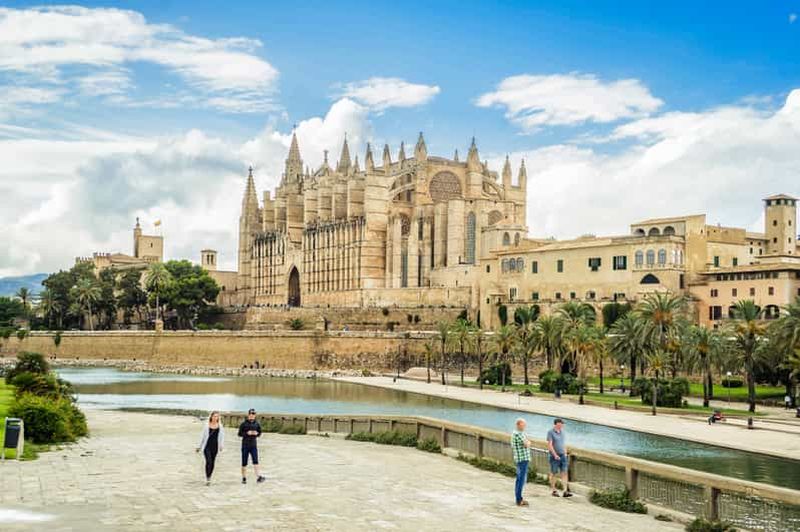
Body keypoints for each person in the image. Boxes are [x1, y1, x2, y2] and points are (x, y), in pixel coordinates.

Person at [238, 408, 266, 484]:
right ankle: (244, 478)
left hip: (253, 445)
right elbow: (239, 434)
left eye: (253, 414)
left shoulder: (257, 424)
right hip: (245, 445)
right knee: (244, 462)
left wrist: (257, 434)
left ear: (255, 415)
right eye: (250, 414)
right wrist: (247, 433)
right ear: (248, 415)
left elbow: (260, 433)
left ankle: (258, 477)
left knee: (255, 461)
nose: (252, 415)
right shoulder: (243, 424)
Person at [197, 411, 225, 485]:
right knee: (208, 461)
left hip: (215, 446)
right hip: (207, 446)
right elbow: (202, 436)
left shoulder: (220, 426)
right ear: (211, 417)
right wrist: (199, 446)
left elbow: (222, 436)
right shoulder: (206, 425)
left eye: (217, 416)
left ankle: (209, 476)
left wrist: (221, 445)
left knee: (212, 462)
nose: (216, 418)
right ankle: (207, 477)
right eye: (214, 416)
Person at [547, 418, 572, 498]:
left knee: (564, 473)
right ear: (556, 424)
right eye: (560, 424)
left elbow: (563, 444)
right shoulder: (550, 432)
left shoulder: (562, 432)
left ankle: (565, 491)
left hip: (563, 456)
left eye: (562, 424)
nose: (562, 425)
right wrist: (555, 455)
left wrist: (565, 453)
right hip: (554, 456)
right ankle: (554, 490)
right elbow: (550, 445)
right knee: (554, 473)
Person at [510, 418, 532, 507]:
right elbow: (527, 444)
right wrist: (528, 442)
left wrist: (527, 441)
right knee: (521, 480)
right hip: (522, 459)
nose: (524, 427)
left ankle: (519, 498)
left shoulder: (519, 433)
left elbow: (527, 441)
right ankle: (519, 500)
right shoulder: (517, 434)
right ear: (518, 425)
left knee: (519, 479)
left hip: (522, 459)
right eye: (523, 425)